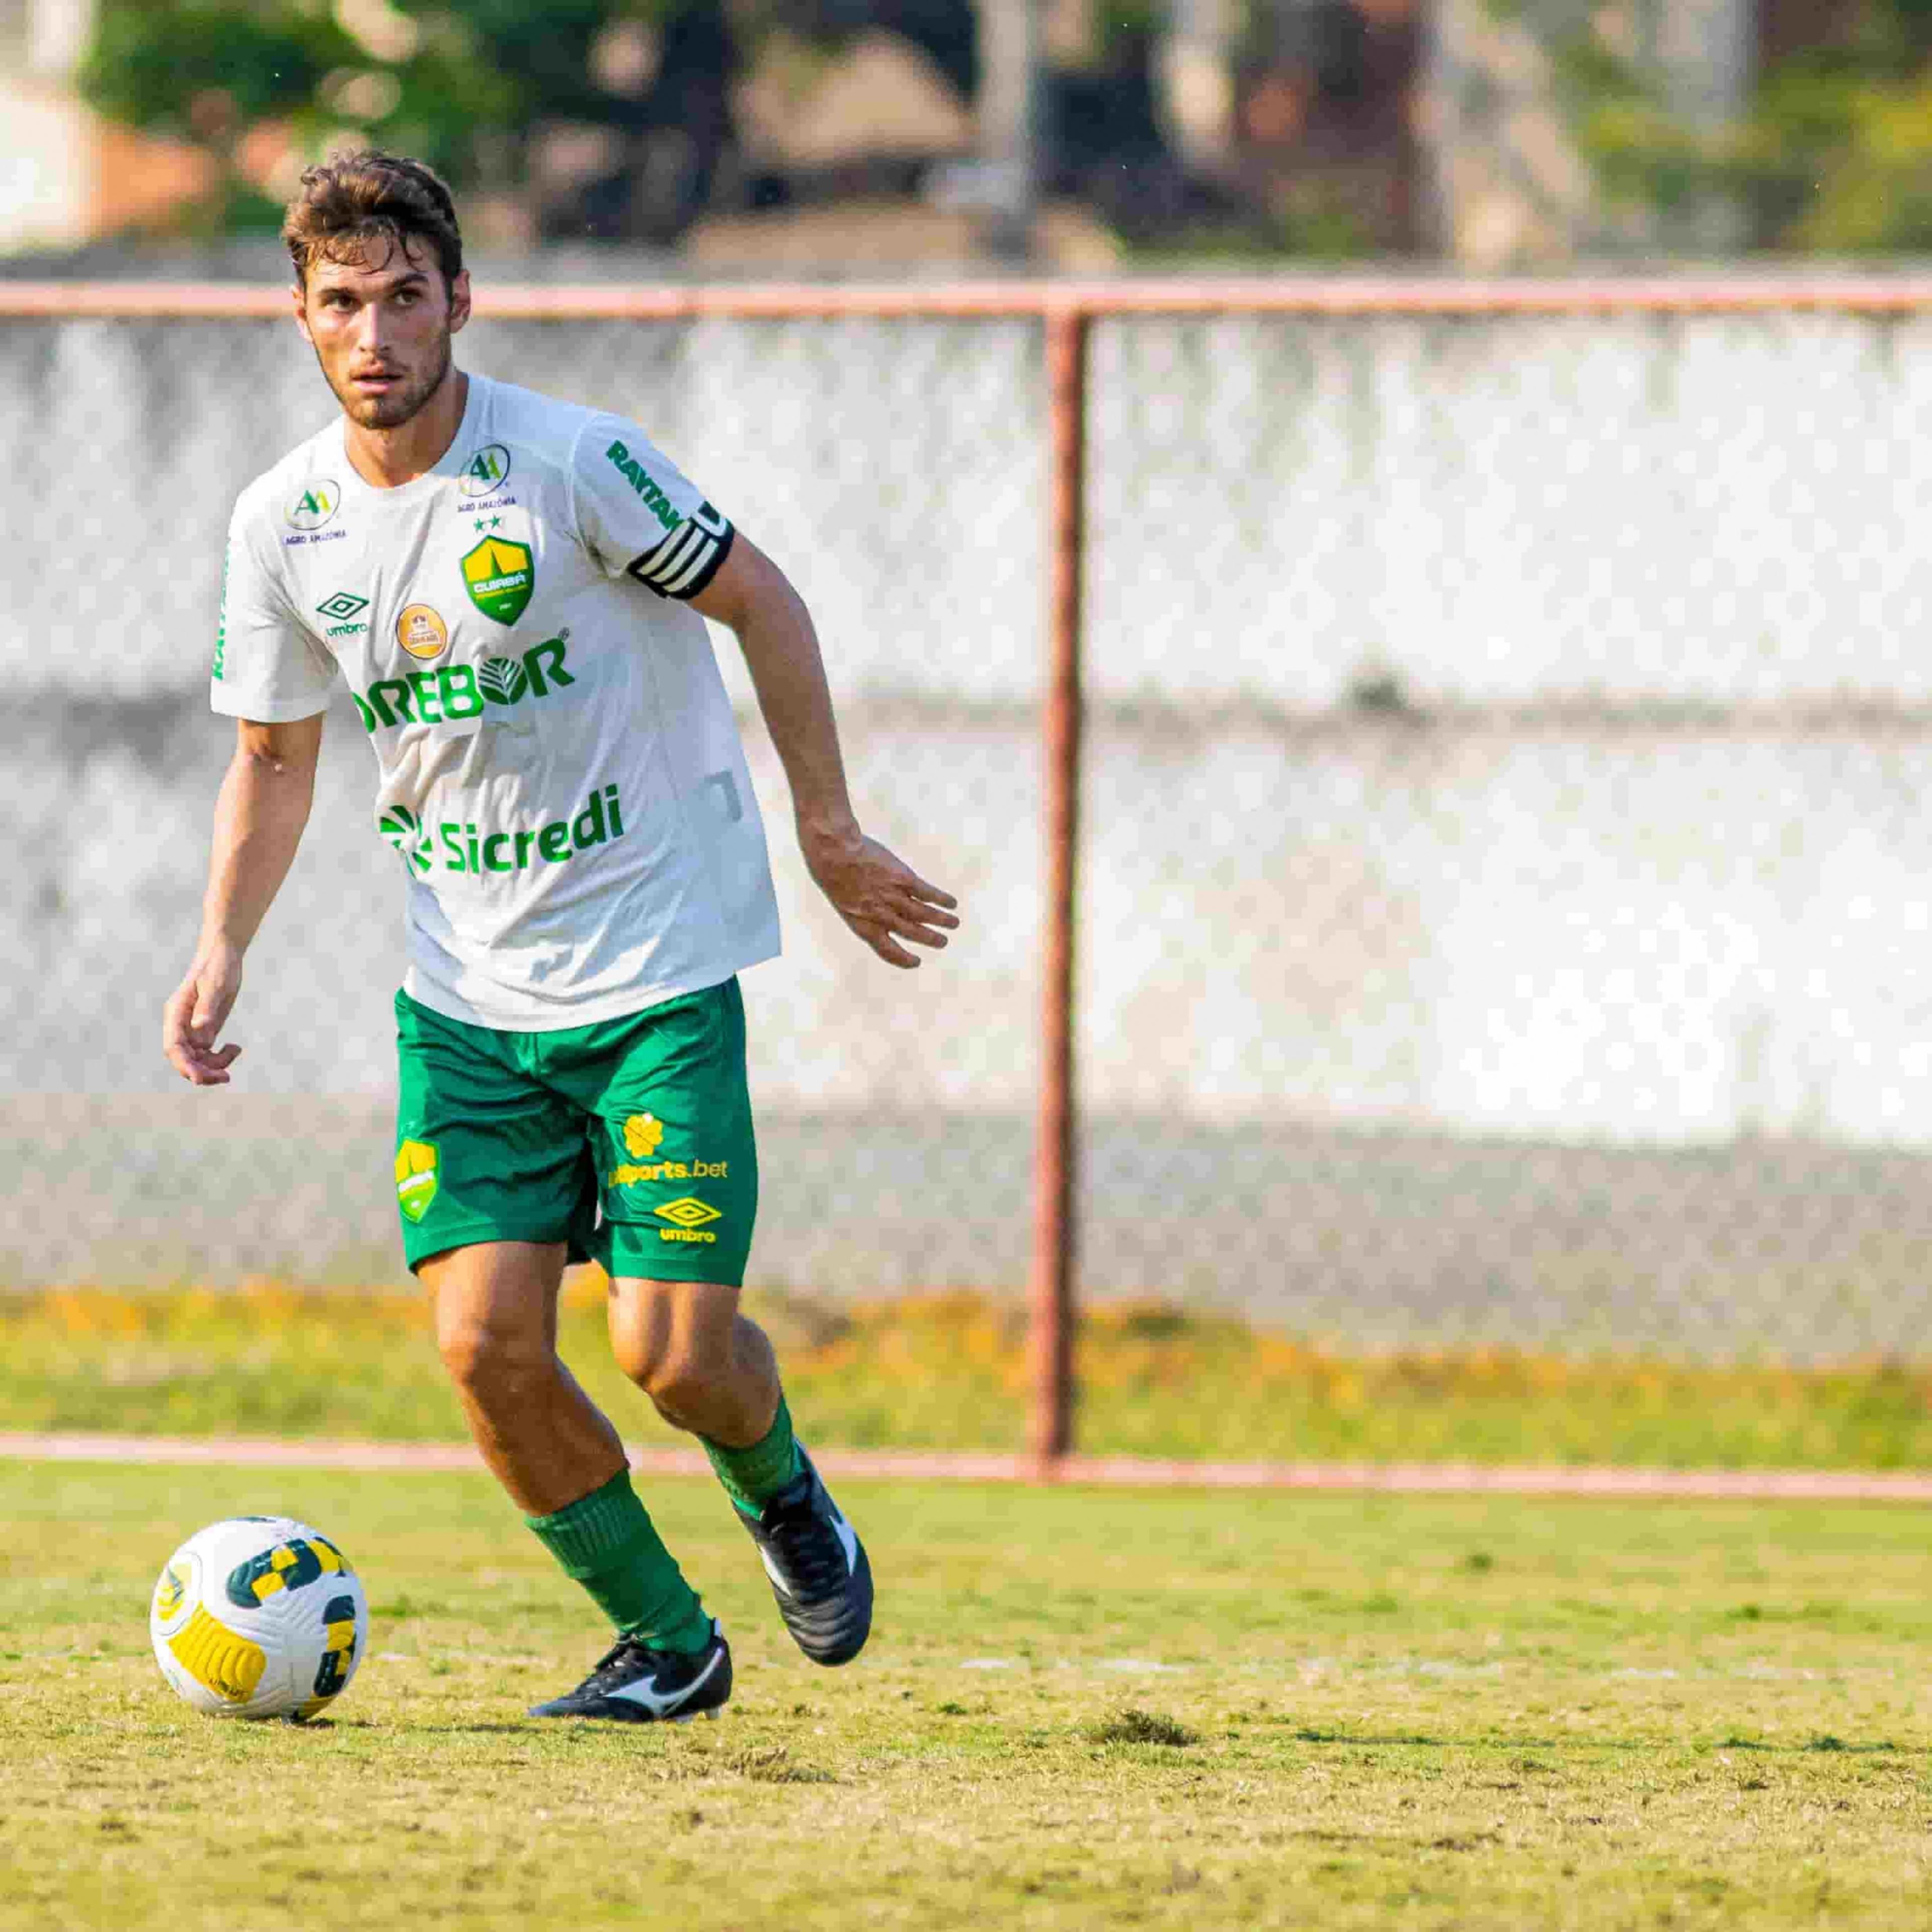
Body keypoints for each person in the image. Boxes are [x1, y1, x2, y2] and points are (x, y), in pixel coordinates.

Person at [161, 150, 959, 1724]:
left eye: (405, 296)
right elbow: (273, 757)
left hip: (657, 967)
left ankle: (784, 1492)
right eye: (341, 304)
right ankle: (668, 1646)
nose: (375, 332)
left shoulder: (574, 465)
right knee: (484, 1348)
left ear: (460, 298)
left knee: (673, 1355)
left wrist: (829, 829)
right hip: (464, 1000)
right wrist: (221, 947)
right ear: (303, 321)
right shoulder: (284, 523)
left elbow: (767, 602)